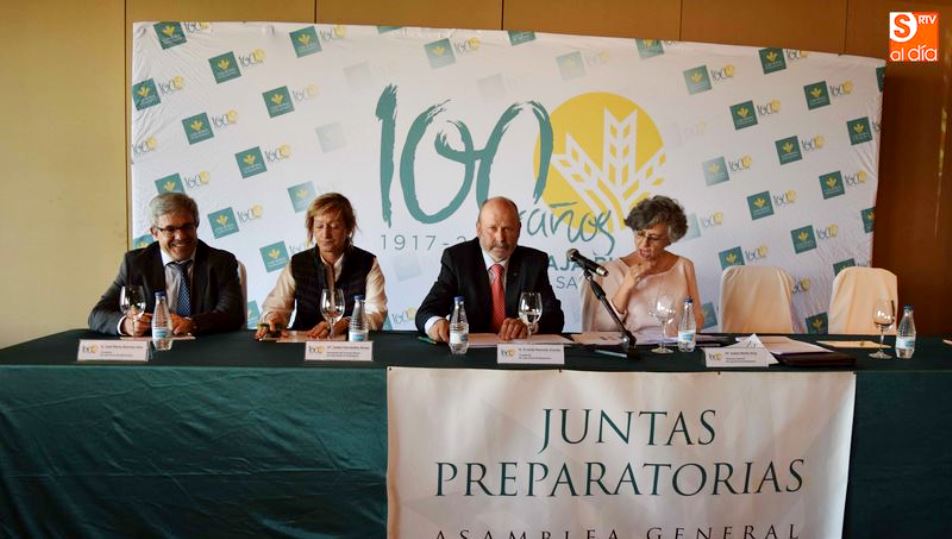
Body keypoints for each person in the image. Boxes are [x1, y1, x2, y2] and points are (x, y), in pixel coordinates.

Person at [89, 193, 245, 336]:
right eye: (170, 229)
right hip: (154, 350)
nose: (180, 236)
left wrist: (192, 323)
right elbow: (98, 314)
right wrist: (126, 324)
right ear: (155, 233)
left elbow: (233, 314)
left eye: (187, 227)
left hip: (205, 348)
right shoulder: (136, 264)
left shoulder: (220, 262)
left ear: (196, 226)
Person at [416, 196, 564, 341]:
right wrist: (436, 323)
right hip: (470, 351)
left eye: (507, 229)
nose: (500, 238)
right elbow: (426, 312)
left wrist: (528, 326)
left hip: (517, 350)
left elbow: (555, 317)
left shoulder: (534, 262)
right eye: (492, 229)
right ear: (479, 229)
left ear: (519, 229)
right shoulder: (457, 259)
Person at [255, 193, 387, 339]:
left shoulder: (367, 262)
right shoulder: (298, 263)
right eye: (319, 226)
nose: (326, 234)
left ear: (348, 228)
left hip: (351, 345)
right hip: (303, 342)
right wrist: (273, 318)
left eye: (334, 226)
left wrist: (345, 323)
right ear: (312, 229)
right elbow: (277, 307)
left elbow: (376, 314)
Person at [581, 195, 703, 337]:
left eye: (654, 238)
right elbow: (603, 329)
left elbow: (697, 321)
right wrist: (627, 286)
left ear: (670, 239)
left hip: (674, 346)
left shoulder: (684, 266)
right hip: (634, 347)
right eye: (640, 234)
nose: (644, 244)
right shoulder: (613, 269)